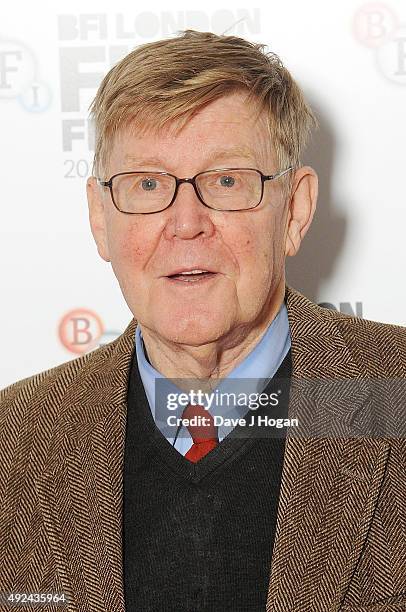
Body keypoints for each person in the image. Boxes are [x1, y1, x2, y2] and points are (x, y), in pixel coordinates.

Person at [0, 29, 405, 612]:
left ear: (294, 210)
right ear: (99, 218)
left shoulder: (389, 398)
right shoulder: (17, 437)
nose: (185, 223)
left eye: (225, 181)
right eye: (147, 184)